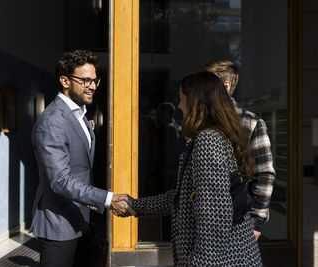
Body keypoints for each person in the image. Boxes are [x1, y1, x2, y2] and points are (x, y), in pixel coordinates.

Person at [117, 71, 263, 266]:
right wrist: (136, 206)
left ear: (196, 103)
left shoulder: (208, 140)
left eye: (181, 98)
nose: (178, 105)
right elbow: (182, 198)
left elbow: (214, 219)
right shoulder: (212, 137)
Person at [30, 50, 130, 267]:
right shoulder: (52, 121)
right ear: (65, 81)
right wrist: (108, 199)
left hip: (81, 219)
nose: (92, 86)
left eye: (95, 80)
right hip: (58, 225)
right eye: (85, 80)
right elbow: (59, 181)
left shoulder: (80, 115)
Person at [204, 60, 276, 240]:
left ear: (225, 86)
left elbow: (264, 173)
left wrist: (256, 222)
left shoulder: (251, 123)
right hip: (203, 221)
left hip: (238, 222)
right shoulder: (200, 122)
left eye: (207, 83)